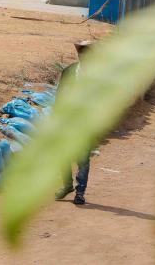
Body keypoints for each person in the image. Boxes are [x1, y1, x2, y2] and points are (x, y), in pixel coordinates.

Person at [56, 40, 95, 205]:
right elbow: (60, 95)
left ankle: (80, 192)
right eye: (82, 52)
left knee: (83, 158)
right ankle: (67, 185)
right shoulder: (69, 71)